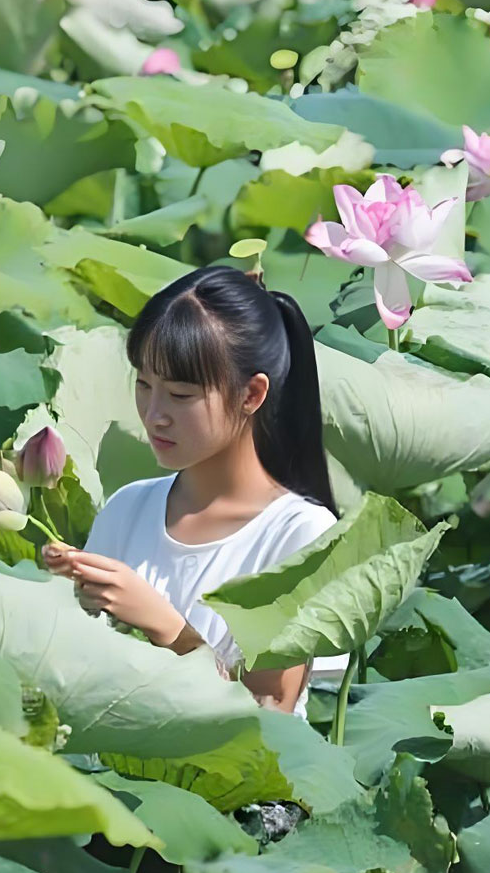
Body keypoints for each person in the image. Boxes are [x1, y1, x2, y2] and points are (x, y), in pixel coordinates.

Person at [43, 264, 344, 718]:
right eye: (144, 385)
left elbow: (270, 708)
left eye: (181, 395)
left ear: (251, 394)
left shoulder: (302, 532)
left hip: (241, 786)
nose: (154, 414)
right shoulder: (128, 507)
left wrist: (165, 625)